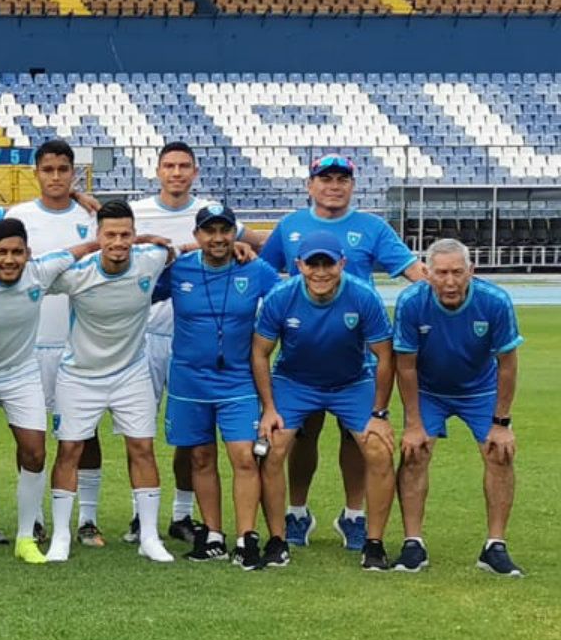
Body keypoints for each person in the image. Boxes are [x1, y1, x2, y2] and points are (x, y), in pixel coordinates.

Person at [258, 153, 423, 551]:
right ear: (310, 185)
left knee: (358, 440)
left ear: (353, 185)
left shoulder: (372, 227)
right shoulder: (290, 226)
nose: (334, 185)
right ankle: (296, 513)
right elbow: (262, 271)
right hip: (300, 357)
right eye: (325, 178)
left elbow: (413, 271)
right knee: (300, 436)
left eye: (342, 179)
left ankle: (354, 515)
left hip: (355, 359)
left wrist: (447, 288)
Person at [252, 230, 398, 572]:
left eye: (328, 263)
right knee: (272, 448)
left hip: (352, 382)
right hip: (295, 382)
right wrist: (270, 409)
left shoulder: (363, 297)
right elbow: (260, 353)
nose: (320, 271)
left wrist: (379, 413)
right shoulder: (281, 296)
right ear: (298, 265)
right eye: (312, 264)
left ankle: (373, 542)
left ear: (342, 264)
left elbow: (385, 356)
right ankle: (278, 537)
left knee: (378, 448)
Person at [42, 200, 177, 564]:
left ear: (135, 235)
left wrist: (147, 239)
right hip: (80, 375)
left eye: (125, 234)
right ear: (97, 235)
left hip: (131, 371)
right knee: (69, 451)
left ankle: (149, 537)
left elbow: (174, 249)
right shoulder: (76, 273)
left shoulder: (151, 258)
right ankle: (61, 536)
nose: (118, 242)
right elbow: (39, 272)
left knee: (142, 448)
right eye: (110, 235)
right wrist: (84, 248)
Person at [152, 204, 278, 567]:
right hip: (189, 381)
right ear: (197, 236)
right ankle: (213, 535)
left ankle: (246, 537)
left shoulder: (253, 268)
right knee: (201, 457)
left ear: (235, 234)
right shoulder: (180, 270)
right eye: (210, 231)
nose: (218, 238)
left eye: (225, 230)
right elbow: (137, 290)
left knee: (244, 457)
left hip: (237, 379)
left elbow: (286, 298)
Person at [393, 239, 525, 577]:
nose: (449, 282)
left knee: (499, 453)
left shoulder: (495, 301)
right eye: (441, 273)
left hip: (480, 390)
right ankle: (413, 544)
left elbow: (507, 364)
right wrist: (412, 423)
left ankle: (495, 546)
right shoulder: (410, 303)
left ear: (471, 272)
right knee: (415, 452)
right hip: (428, 389)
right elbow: (405, 366)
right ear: (427, 273)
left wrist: (501, 422)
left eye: (457, 272)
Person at [0, 219, 73, 564]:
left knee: (34, 452)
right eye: (1, 252)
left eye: (16, 252)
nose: (9, 259)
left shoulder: (40, 272)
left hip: (21, 373)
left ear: (28, 254)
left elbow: (86, 249)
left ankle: (26, 537)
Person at [6, 140, 106, 546]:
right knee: (30, 436)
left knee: (85, 434)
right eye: (48, 170)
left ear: (73, 173)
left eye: (64, 170)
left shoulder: (88, 216)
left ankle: (88, 518)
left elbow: (117, 231)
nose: (56, 177)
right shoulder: (20, 216)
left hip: (77, 342)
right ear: (37, 173)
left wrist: (92, 204)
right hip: (28, 343)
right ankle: (33, 519)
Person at [130, 141, 229, 545]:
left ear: (195, 171)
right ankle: (141, 514)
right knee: (140, 429)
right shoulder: (137, 212)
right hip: (145, 335)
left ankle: (182, 514)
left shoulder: (210, 213)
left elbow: (244, 245)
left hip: (194, 341)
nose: (176, 172)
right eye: (169, 165)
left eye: (184, 166)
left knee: (193, 432)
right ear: (157, 171)